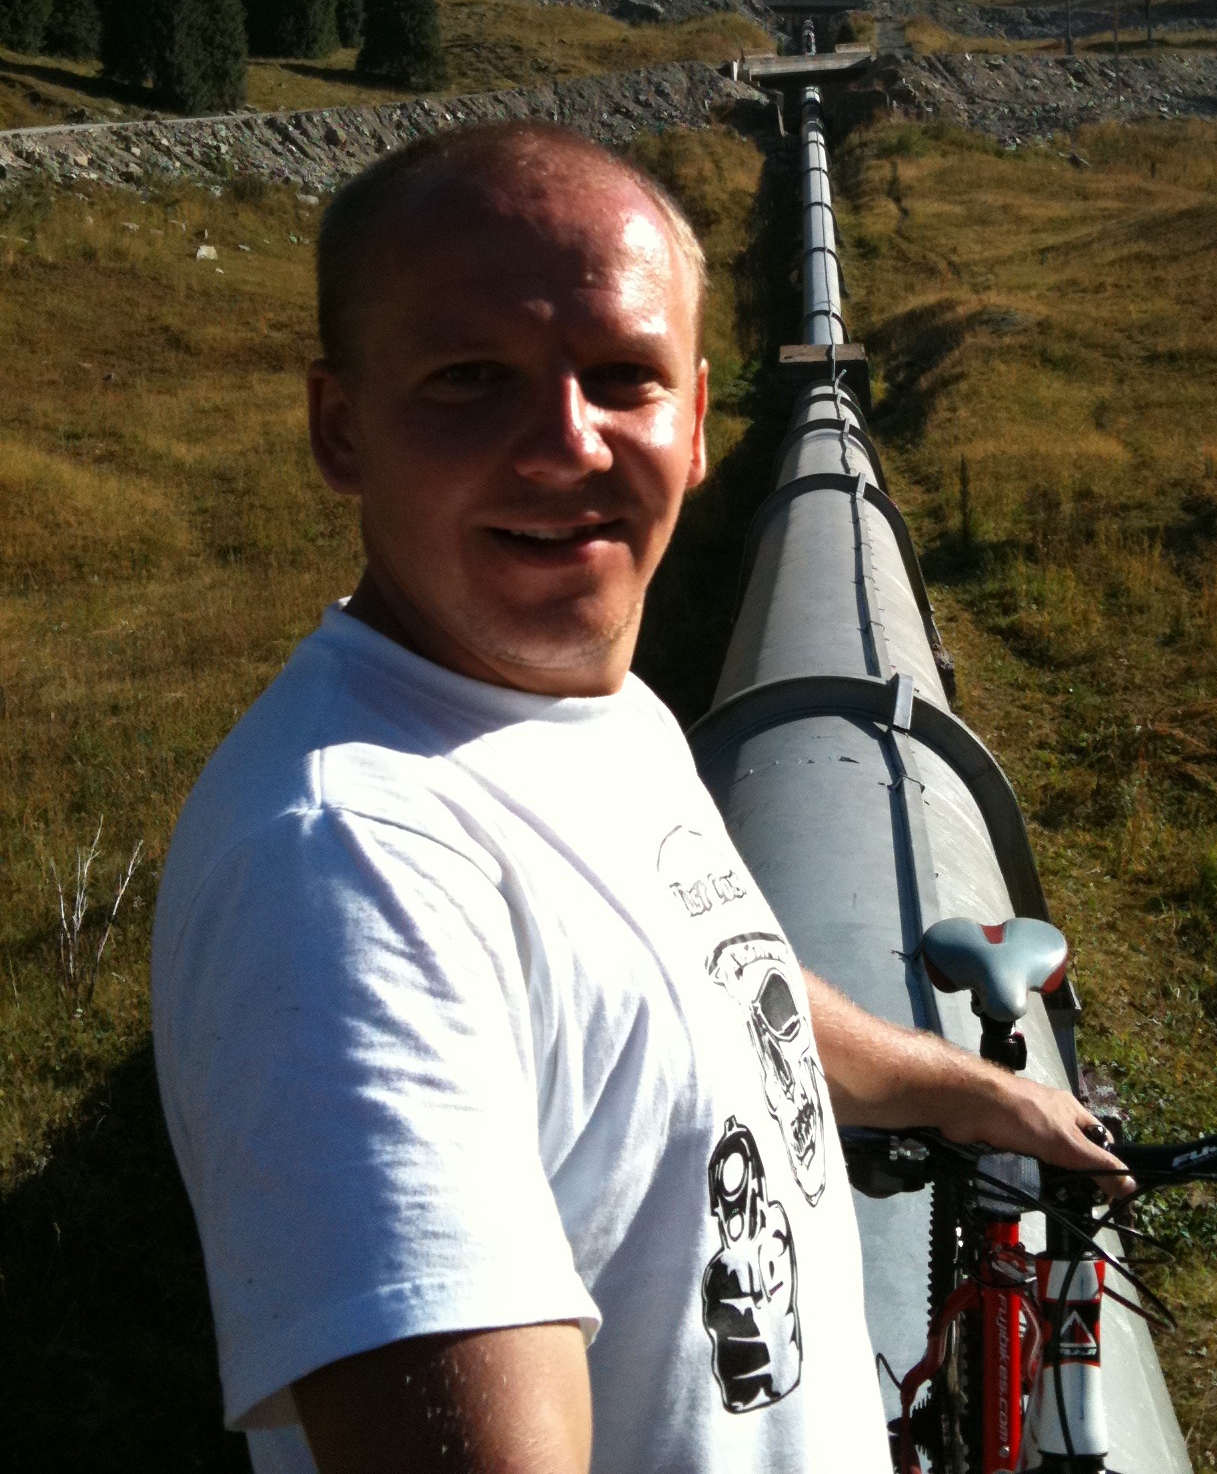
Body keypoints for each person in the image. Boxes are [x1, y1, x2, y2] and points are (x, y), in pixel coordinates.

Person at [152, 123, 1119, 1474]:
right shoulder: (348, 878)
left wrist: (960, 1089)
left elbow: (718, 970)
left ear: (699, 421)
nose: (566, 444)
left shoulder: (592, 709)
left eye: (622, 377)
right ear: (341, 426)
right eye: (470, 377)